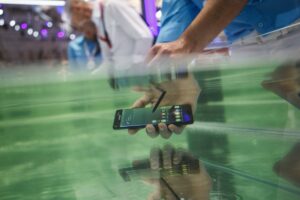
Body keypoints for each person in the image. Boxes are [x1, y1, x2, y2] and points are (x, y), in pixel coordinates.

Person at [131, 0, 300, 138]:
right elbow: (178, 7)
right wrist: (171, 71)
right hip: (245, 46)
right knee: (271, 143)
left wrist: (187, 44)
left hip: (295, 27)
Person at [66, 0, 153, 88]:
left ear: (77, 9)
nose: (78, 25)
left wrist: (135, 71)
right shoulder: (98, 23)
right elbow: (108, 61)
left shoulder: (113, 5)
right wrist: (89, 80)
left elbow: (144, 37)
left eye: (73, 18)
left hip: (137, 77)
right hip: (122, 79)